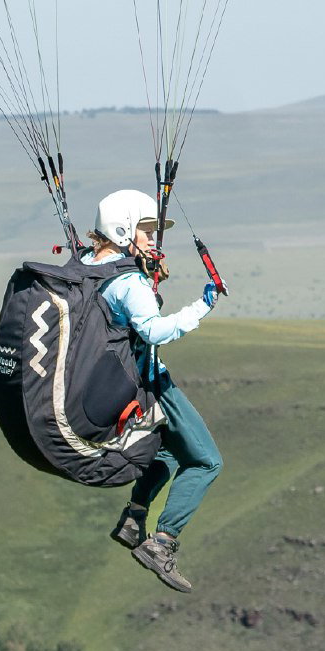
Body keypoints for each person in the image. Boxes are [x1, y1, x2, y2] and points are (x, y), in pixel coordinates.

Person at [84, 189, 222, 593]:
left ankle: (133, 519)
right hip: (151, 382)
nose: (153, 239)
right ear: (123, 229)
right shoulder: (127, 281)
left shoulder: (90, 267)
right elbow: (155, 330)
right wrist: (203, 305)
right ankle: (161, 543)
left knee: (163, 451)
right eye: (146, 230)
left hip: (117, 385)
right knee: (206, 462)